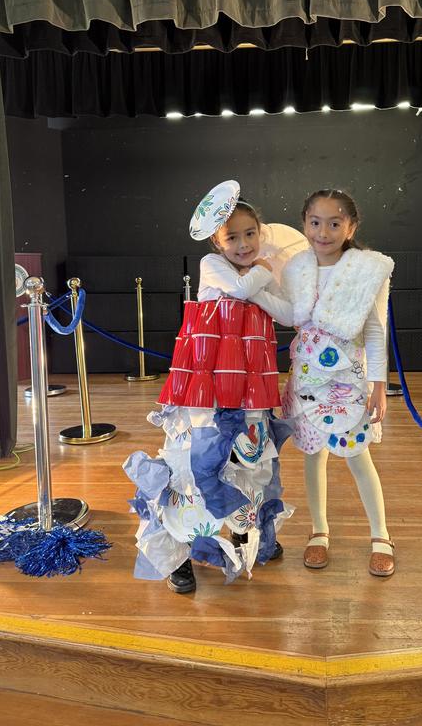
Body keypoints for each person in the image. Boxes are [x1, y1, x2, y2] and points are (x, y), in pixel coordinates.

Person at [123, 181, 299, 593]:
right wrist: (264, 273)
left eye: (250, 234)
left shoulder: (257, 276)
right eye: (231, 237)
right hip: (205, 391)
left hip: (250, 390)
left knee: (249, 462)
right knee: (193, 465)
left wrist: (266, 283)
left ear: (261, 232)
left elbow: (287, 312)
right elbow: (239, 289)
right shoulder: (212, 267)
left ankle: (250, 535)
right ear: (217, 244)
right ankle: (177, 555)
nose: (243, 244)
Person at [281, 189, 396, 577]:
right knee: (314, 456)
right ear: (304, 223)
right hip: (308, 378)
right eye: (315, 222)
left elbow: (377, 332)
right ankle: (319, 531)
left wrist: (379, 385)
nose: (323, 231)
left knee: (357, 455)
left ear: (351, 226)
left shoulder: (367, 269)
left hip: (349, 380)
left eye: (334, 222)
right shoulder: (295, 267)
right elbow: (288, 314)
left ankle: (381, 535)